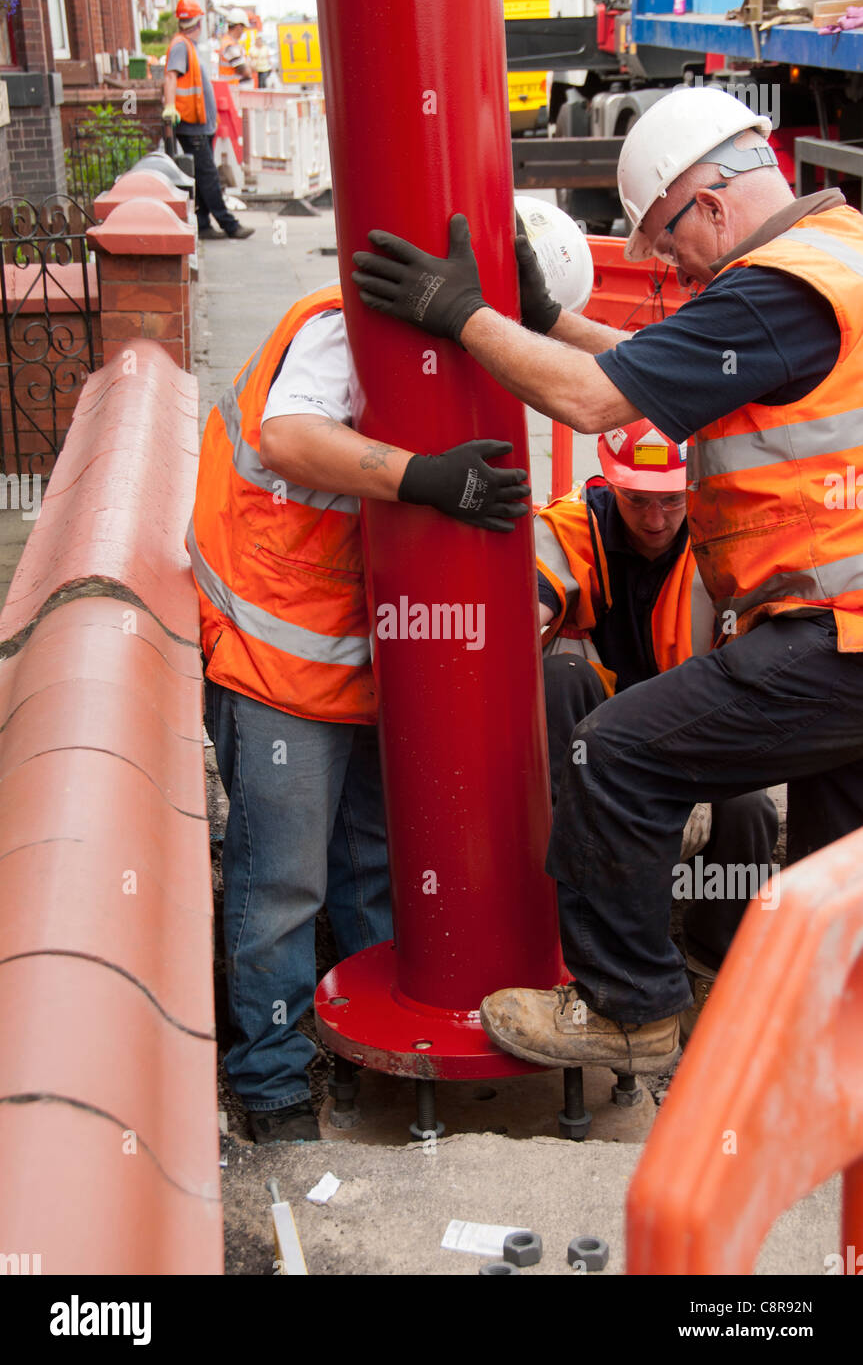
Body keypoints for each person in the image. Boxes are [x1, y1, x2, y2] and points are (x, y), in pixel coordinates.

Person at [352, 84, 863, 1073]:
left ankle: (629, 1008)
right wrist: (542, 319)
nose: (662, 263)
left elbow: (592, 402)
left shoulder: (772, 288)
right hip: (842, 637)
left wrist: (459, 317)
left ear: (708, 202)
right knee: (833, 867)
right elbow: (654, 366)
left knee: (614, 753)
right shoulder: (833, 255)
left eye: (665, 240)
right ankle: (822, 1056)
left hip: (834, 634)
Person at [186, 283, 531, 1141]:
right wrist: (424, 478)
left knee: (371, 866)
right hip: (276, 657)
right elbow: (289, 437)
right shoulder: (347, 332)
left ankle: (372, 1044)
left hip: (367, 663)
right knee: (281, 886)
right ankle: (270, 1083)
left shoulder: (450, 350)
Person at [536, 421, 777, 1036]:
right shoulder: (570, 529)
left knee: (749, 810)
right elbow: (530, 592)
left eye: (672, 499)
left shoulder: (722, 541)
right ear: (608, 481)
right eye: (638, 499)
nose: (655, 518)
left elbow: (748, 678)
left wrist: (699, 778)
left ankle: (711, 961)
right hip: (586, 744)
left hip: (688, 735)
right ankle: (569, 948)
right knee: (562, 674)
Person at [163, 0, 254, 241]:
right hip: (192, 125)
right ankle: (229, 224)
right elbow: (171, 76)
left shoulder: (186, 45)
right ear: (200, 22)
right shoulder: (181, 45)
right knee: (208, 175)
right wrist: (170, 106)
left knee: (202, 175)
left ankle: (203, 224)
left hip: (199, 124)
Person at [218, 9, 254, 87]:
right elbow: (246, 72)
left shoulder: (231, 43)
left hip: (233, 90)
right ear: (238, 27)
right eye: (243, 28)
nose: (243, 31)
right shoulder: (230, 46)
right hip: (233, 91)